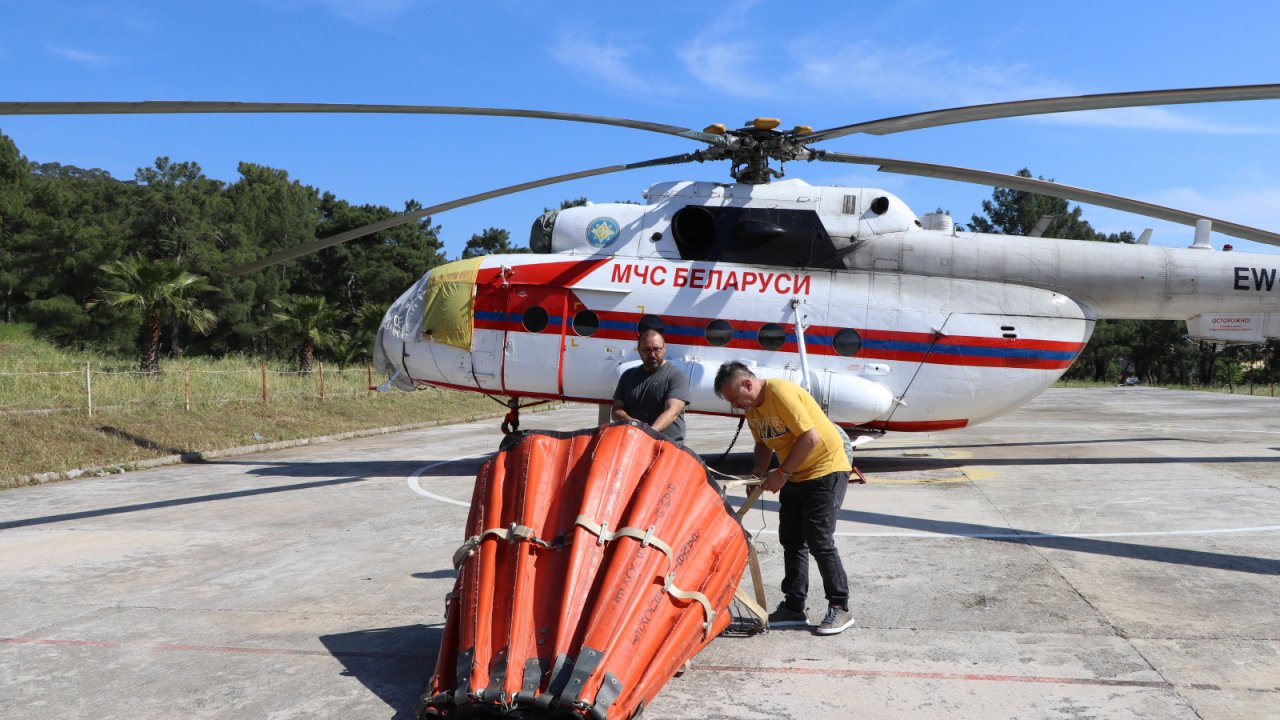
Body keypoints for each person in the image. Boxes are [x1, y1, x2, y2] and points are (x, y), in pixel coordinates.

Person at [713, 361, 855, 636]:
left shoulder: (780, 392)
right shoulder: (753, 410)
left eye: (735, 399)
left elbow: (810, 437)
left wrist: (783, 472)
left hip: (825, 468)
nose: (736, 406)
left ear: (747, 384)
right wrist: (758, 473)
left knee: (820, 541)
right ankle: (793, 606)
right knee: (791, 540)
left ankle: (840, 606)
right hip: (797, 474)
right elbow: (762, 444)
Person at [611, 330, 691, 443]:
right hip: (634, 443)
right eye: (647, 350)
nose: (652, 354)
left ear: (664, 348)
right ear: (639, 351)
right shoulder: (627, 376)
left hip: (667, 447)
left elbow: (672, 412)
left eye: (656, 349)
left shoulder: (677, 376)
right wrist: (632, 423)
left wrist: (648, 433)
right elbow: (616, 410)